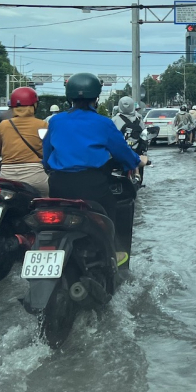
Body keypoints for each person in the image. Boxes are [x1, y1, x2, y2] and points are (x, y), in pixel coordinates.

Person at [43, 73, 147, 266]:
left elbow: (47, 158)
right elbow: (123, 153)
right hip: (92, 186)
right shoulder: (103, 123)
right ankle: (112, 252)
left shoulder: (56, 121)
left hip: (58, 185)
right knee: (110, 212)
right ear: (96, 98)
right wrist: (138, 161)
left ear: (70, 97)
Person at [0, 87, 49, 196]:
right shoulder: (42, 125)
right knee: (47, 202)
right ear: (34, 105)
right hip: (35, 175)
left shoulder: (4, 125)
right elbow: (48, 149)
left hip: (7, 176)